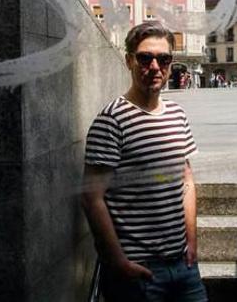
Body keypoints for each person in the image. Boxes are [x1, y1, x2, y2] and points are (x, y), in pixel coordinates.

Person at [81, 22, 207, 302]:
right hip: (138, 270)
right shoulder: (111, 120)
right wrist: (118, 261)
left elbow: (186, 181)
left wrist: (192, 241)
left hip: (184, 265)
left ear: (171, 64)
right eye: (144, 58)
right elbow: (92, 198)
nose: (154, 66)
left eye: (163, 59)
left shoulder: (177, 114)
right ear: (129, 60)